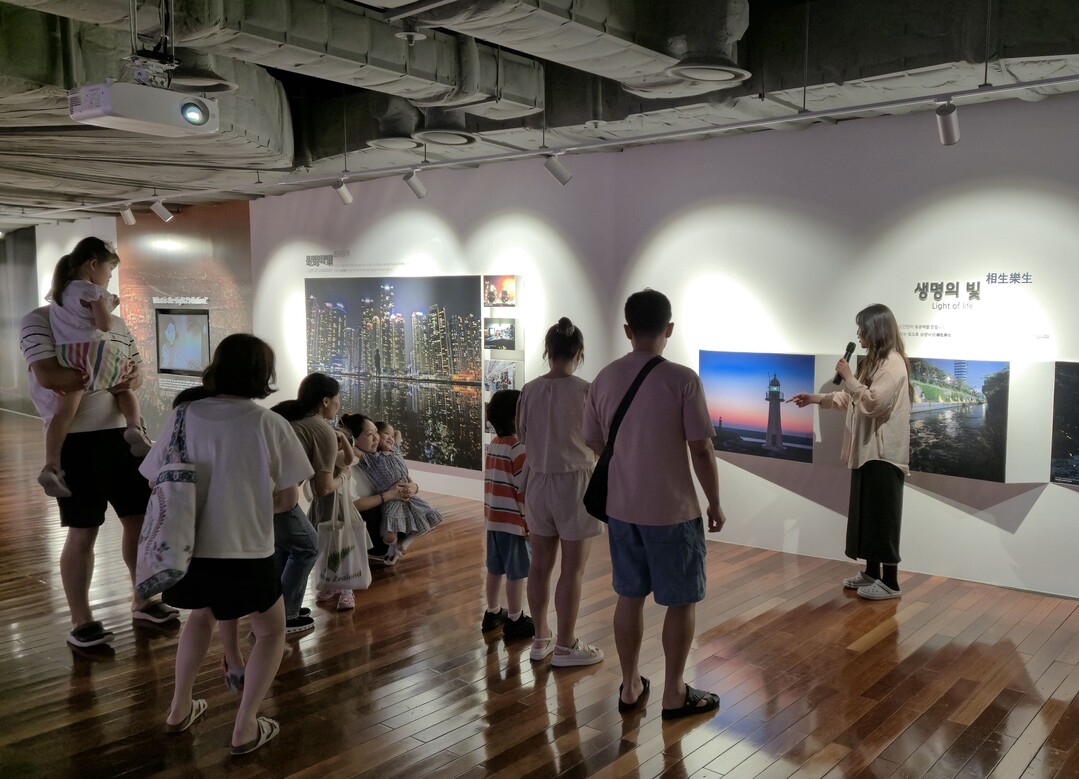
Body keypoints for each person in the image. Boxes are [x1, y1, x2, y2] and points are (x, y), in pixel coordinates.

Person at [140, 334, 312, 754]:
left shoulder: (184, 415)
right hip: (249, 548)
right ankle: (245, 726)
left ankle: (179, 709)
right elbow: (289, 499)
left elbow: (153, 477)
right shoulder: (270, 424)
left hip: (190, 547)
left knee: (200, 618)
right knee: (271, 631)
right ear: (263, 375)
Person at [584, 289, 725, 719]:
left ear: (627, 329)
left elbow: (594, 442)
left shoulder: (604, 378)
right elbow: (701, 448)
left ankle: (630, 686)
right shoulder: (683, 380)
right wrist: (714, 502)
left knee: (629, 596)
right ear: (669, 328)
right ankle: (674, 693)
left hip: (621, 509)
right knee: (681, 602)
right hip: (673, 511)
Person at [20, 301, 178, 649]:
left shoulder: (116, 324)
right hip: (76, 440)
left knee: (139, 521)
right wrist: (103, 374)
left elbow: (136, 373)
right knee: (83, 530)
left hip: (124, 436)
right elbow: (49, 377)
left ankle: (144, 599)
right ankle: (82, 620)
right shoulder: (39, 320)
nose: (104, 286)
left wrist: (122, 377)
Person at [789, 303, 912, 601]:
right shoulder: (874, 361)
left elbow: (872, 403)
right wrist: (815, 398)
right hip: (865, 452)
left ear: (876, 329)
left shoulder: (893, 364)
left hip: (883, 454)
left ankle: (891, 582)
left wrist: (849, 376)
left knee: (883, 517)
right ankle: (871, 573)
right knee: (867, 516)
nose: (858, 334)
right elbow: (851, 398)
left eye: (862, 328)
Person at [518, 317, 603, 667]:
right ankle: (566, 645)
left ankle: (541, 638)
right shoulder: (586, 390)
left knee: (539, 564)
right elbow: (597, 441)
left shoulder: (529, 390)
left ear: (547, 351)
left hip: (538, 480)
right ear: (579, 352)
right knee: (573, 569)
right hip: (575, 482)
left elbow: (523, 434)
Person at [38, 237, 151, 497]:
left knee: (62, 414)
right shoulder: (92, 291)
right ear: (93, 264)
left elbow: (76, 318)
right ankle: (135, 428)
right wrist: (107, 306)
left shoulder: (60, 292)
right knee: (123, 387)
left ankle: (51, 466)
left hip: (68, 357)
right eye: (109, 270)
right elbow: (104, 325)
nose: (109, 277)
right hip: (95, 353)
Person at [271, 373, 356, 611]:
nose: (339, 403)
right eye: (338, 397)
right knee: (309, 547)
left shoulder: (290, 418)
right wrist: (344, 476)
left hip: (255, 495)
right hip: (277, 499)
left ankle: (272, 609)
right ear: (326, 401)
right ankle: (287, 614)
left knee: (282, 547)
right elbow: (323, 488)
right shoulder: (322, 429)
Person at [482, 389, 534, 639]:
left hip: (493, 520)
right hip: (513, 523)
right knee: (516, 573)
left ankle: (492, 612)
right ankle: (515, 618)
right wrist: (528, 523)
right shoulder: (518, 448)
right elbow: (523, 490)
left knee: (494, 569)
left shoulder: (494, 445)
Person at [356, 420, 443, 564]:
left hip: (408, 496)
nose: (390, 437)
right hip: (392, 500)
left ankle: (403, 544)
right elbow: (353, 449)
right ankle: (392, 548)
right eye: (386, 434)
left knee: (431, 517)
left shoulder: (395, 450)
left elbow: (397, 433)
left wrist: (388, 434)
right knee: (389, 537)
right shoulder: (372, 459)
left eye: (391, 435)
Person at [339, 413, 415, 564]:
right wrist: (389, 495)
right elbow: (351, 506)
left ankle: (392, 546)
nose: (376, 438)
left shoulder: (380, 455)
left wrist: (413, 487)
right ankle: (382, 549)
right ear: (353, 440)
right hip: (364, 531)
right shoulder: (347, 463)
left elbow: (405, 478)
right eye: (369, 434)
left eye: (376, 432)